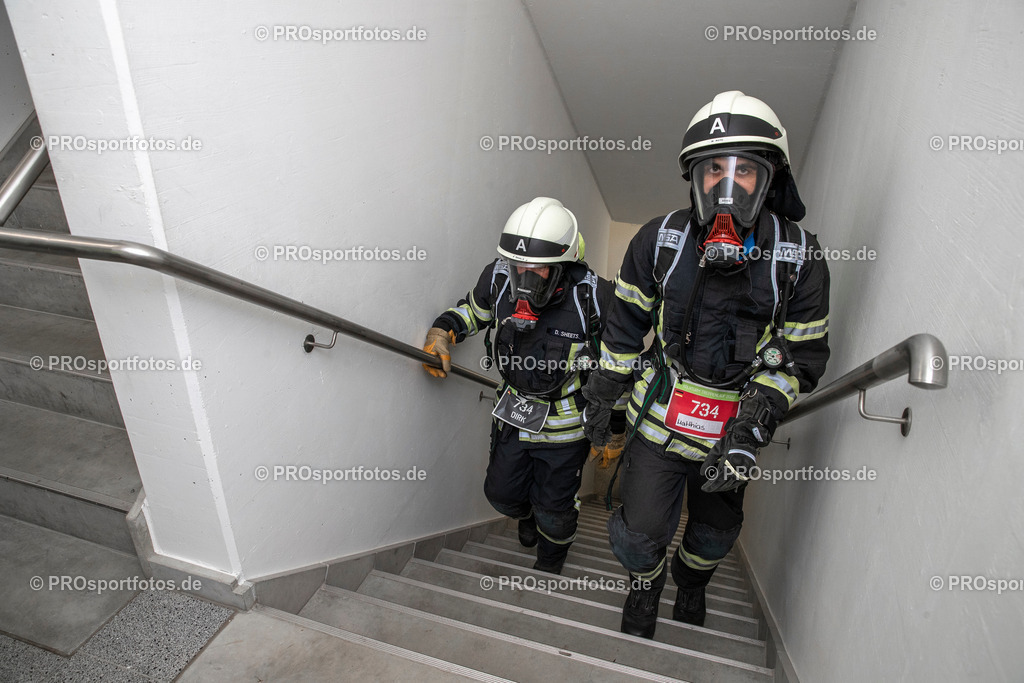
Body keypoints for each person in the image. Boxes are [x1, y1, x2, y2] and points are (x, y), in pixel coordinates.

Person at [581, 91, 831, 638]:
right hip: (660, 422)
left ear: (770, 181)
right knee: (637, 532)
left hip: (732, 433)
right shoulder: (660, 241)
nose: (726, 184)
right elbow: (624, 329)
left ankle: (691, 586)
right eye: (713, 167)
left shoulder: (798, 259)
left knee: (713, 537)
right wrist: (606, 401)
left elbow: (801, 356)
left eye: (744, 171)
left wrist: (752, 425)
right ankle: (644, 588)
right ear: (693, 177)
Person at [423, 197, 625, 574]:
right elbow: (473, 310)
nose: (525, 279)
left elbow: (619, 368)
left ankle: (551, 560)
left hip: (566, 426)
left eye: (539, 270)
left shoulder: (594, 298)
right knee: (500, 495)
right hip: (514, 414)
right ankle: (528, 516)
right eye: (519, 267)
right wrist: (442, 330)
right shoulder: (499, 278)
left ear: (564, 265)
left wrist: (614, 431)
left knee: (556, 510)